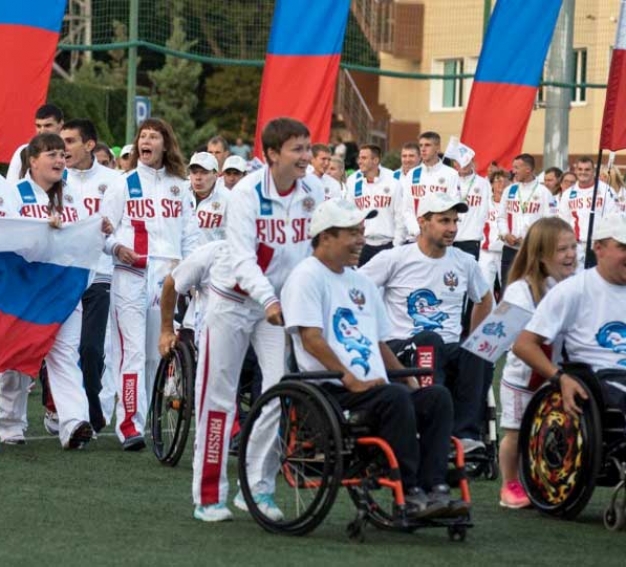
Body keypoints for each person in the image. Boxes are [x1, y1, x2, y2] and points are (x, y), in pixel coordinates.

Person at [280, 198, 467, 518]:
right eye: (352, 233)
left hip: (374, 388)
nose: (360, 240)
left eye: (362, 231)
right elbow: (311, 340)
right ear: (326, 237)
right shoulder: (306, 277)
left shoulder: (361, 281)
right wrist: (349, 377)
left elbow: (379, 343)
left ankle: (434, 486)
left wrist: (408, 380)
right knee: (394, 398)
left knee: (436, 396)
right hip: (331, 389)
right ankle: (408, 491)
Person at [191, 117, 324, 523]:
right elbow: (244, 258)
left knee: (279, 391)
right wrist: (268, 299)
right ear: (271, 155)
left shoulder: (314, 190)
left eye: (307, 148)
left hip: (278, 308)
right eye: (297, 149)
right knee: (217, 395)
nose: (306, 157)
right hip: (233, 300)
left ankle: (257, 489)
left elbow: (315, 249)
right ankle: (208, 495)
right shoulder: (245, 193)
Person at [359, 192, 493, 452]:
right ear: (423, 222)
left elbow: (484, 298)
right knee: (430, 341)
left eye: (455, 221)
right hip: (402, 344)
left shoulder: (464, 262)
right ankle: (431, 425)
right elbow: (357, 289)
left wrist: (475, 335)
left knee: (477, 348)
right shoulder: (395, 258)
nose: (452, 228)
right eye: (444, 221)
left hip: (449, 346)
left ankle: (465, 436)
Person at [0, 133, 110, 449]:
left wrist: (105, 234)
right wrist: (42, 231)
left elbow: (86, 238)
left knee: (65, 353)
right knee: (17, 359)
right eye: (51, 154)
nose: (60, 160)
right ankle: (10, 424)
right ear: (32, 160)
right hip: (24, 293)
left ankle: (74, 423)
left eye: (62, 154)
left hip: (63, 290)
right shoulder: (15, 194)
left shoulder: (72, 197)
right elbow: (8, 236)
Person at [104, 117, 201, 451]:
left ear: (165, 144)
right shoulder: (123, 183)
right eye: (142, 136)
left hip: (167, 279)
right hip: (130, 274)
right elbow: (105, 230)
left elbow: (190, 234)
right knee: (130, 352)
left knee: (157, 355)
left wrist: (190, 275)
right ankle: (129, 426)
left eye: (153, 136)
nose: (146, 141)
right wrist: (117, 247)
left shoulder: (181, 185)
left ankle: (146, 419)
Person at [513, 213, 626, 419]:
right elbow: (522, 344)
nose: (570, 255)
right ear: (598, 249)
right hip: (597, 382)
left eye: (573, 248)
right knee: (512, 436)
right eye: (623, 247)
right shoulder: (570, 290)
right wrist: (560, 378)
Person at [497, 217, 577, 509]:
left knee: (547, 431)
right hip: (521, 378)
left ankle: (540, 479)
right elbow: (505, 334)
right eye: (562, 249)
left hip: (551, 375)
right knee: (515, 432)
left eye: (573, 247)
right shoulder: (521, 289)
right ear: (542, 255)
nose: (570, 254)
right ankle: (509, 484)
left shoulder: (570, 285)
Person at [61, 119, 126, 433]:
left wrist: (111, 239)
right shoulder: (56, 177)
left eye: (70, 141)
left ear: (89, 145)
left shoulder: (115, 180)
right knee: (59, 347)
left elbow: (115, 225)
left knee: (90, 349)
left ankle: (92, 404)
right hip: (63, 274)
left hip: (99, 273)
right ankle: (64, 411)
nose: (64, 149)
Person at [497, 153, 554, 287]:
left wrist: (532, 240)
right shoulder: (510, 190)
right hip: (510, 248)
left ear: (528, 169)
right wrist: (505, 234)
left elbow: (550, 223)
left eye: (517, 168)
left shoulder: (543, 192)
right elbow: (501, 217)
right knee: (507, 287)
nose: (513, 171)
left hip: (533, 250)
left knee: (532, 287)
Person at [345, 144, 405, 265]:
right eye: (359, 158)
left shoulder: (393, 183)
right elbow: (349, 216)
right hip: (363, 245)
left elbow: (400, 217)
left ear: (375, 160)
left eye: (364, 158)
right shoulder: (353, 183)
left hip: (387, 244)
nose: (359, 161)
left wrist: (396, 245)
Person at [558, 156, 617, 268]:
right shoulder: (568, 194)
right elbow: (563, 222)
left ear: (593, 171)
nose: (583, 172)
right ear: (575, 171)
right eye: (580, 169)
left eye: (587, 169)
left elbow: (614, 218)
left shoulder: (606, 191)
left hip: (600, 246)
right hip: (577, 246)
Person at [402, 131, 459, 241]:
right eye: (421, 145)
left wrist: (441, 231)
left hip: (440, 238)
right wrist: (417, 232)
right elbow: (407, 209)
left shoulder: (451, 174)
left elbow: (454, 208)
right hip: (416, 238)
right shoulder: (412, 174)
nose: (423, 149)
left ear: (437, 148)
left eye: (427, 145)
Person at [6, 104, 64, 183]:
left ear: (61, 125)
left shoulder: (70, 152)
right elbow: (10, 185)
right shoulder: (24, 151)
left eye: (48, 125)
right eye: (38, 126)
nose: (42, 131)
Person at [479, 169, 509, 301]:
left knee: (507, 287)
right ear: (491, 184)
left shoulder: (512, 203)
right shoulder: (483, 203)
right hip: (486, 250)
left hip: (506, 250)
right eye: (497, 181)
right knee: (485, 288)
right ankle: (487, 318)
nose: (501, 184)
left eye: (504, 181)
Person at [188, 152, 230, 243]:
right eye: (194, 172)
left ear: (216, 175)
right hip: (182, 256)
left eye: (204, 172)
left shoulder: (228, 198)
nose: (198, 177)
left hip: (213, 256)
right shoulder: (180, 192)